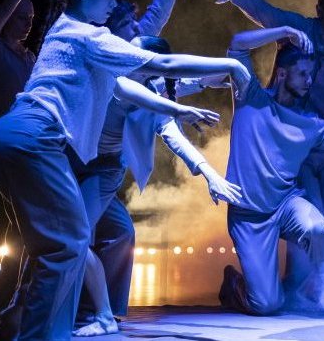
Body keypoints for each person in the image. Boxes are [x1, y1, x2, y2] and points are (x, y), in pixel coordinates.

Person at [0, 0, 250, 341]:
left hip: (2, 141)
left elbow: (133, 85)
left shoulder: (61, 31)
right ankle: (43, 331)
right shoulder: (91, 39)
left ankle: (16, 322)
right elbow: (162, 62)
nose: (113, 3)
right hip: (36, 141)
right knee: (69, 246)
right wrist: (230, 66)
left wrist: (177, 105)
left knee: (57, 244)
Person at [73, 36, 240, 336]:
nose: (126, 53)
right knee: (91, 233)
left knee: (109, 234)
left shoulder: (152, 96)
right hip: (73, 161)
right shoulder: (114, 74)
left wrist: (210, 175)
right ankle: (84, 309)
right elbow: (160, 83)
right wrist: (200, 84)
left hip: (104, 170)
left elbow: (175, 137)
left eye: (136, 53)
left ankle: (100, 311)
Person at [218, 27, 324, 315]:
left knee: (320, 230)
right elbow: (237, 42)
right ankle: (234, 285)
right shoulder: (250, 95)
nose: (309, 81)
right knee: (266, 305)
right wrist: (286, 31)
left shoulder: (310, 123)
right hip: (249, 215)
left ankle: (315, 290)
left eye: (311, 75)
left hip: (286, 205)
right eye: (303, 74)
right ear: (282, 74)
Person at [189, 0, 324, 217]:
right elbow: (261, 10)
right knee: (311, 211)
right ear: (320, 10)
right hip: (290, 139)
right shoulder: (300, 28)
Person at [0, 0, 67, 321]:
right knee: (30, 227)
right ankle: (13, 306)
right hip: (10, 149)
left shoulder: (29, 58)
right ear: (6, 17)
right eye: (21, 16)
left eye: (31, 17)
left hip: (36, 148)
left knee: (23, 228)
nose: (28, 22)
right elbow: (1, 14)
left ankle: (10, 304)